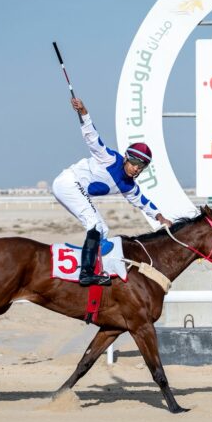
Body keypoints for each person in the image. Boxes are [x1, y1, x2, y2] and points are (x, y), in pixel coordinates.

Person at [52, 98, 173, 286]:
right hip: (67, 183)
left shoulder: (129, 185)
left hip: (74, 188)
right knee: (94, 224)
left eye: (142, 166)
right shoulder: (109, 158)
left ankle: (95, 267)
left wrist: (160, 217)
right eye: (135, 163)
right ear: (126, 158)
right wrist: (83, 111)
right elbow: (92, 137)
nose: (137, 168)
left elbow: (143, 202)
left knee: (103, 229)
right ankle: (86, 273)